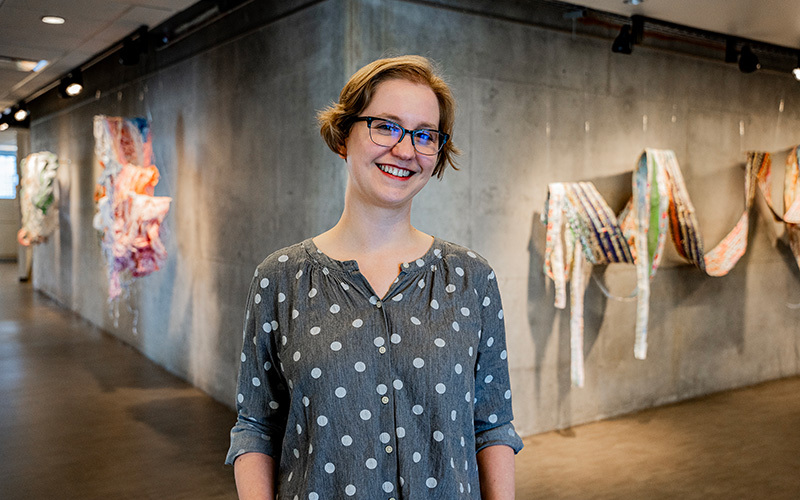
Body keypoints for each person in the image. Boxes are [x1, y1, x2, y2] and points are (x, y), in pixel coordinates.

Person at [226, 55, 523, 499]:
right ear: (344, 135)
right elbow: (256, 427)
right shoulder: (282, 278)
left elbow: (492, 424)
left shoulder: (470, 278)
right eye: (385, 126)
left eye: (425, 135)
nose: (405, 150)